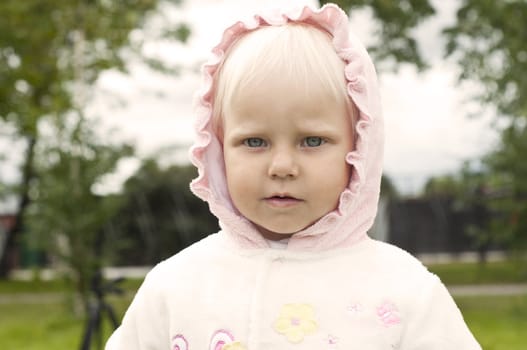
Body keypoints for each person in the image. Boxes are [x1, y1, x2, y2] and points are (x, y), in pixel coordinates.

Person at [106, 3, 481, 349]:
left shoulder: (406, 291)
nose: (282, 166)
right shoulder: (175, 287)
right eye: (254, 141)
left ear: (359, 149)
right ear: (219, 149)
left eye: (312, 140)